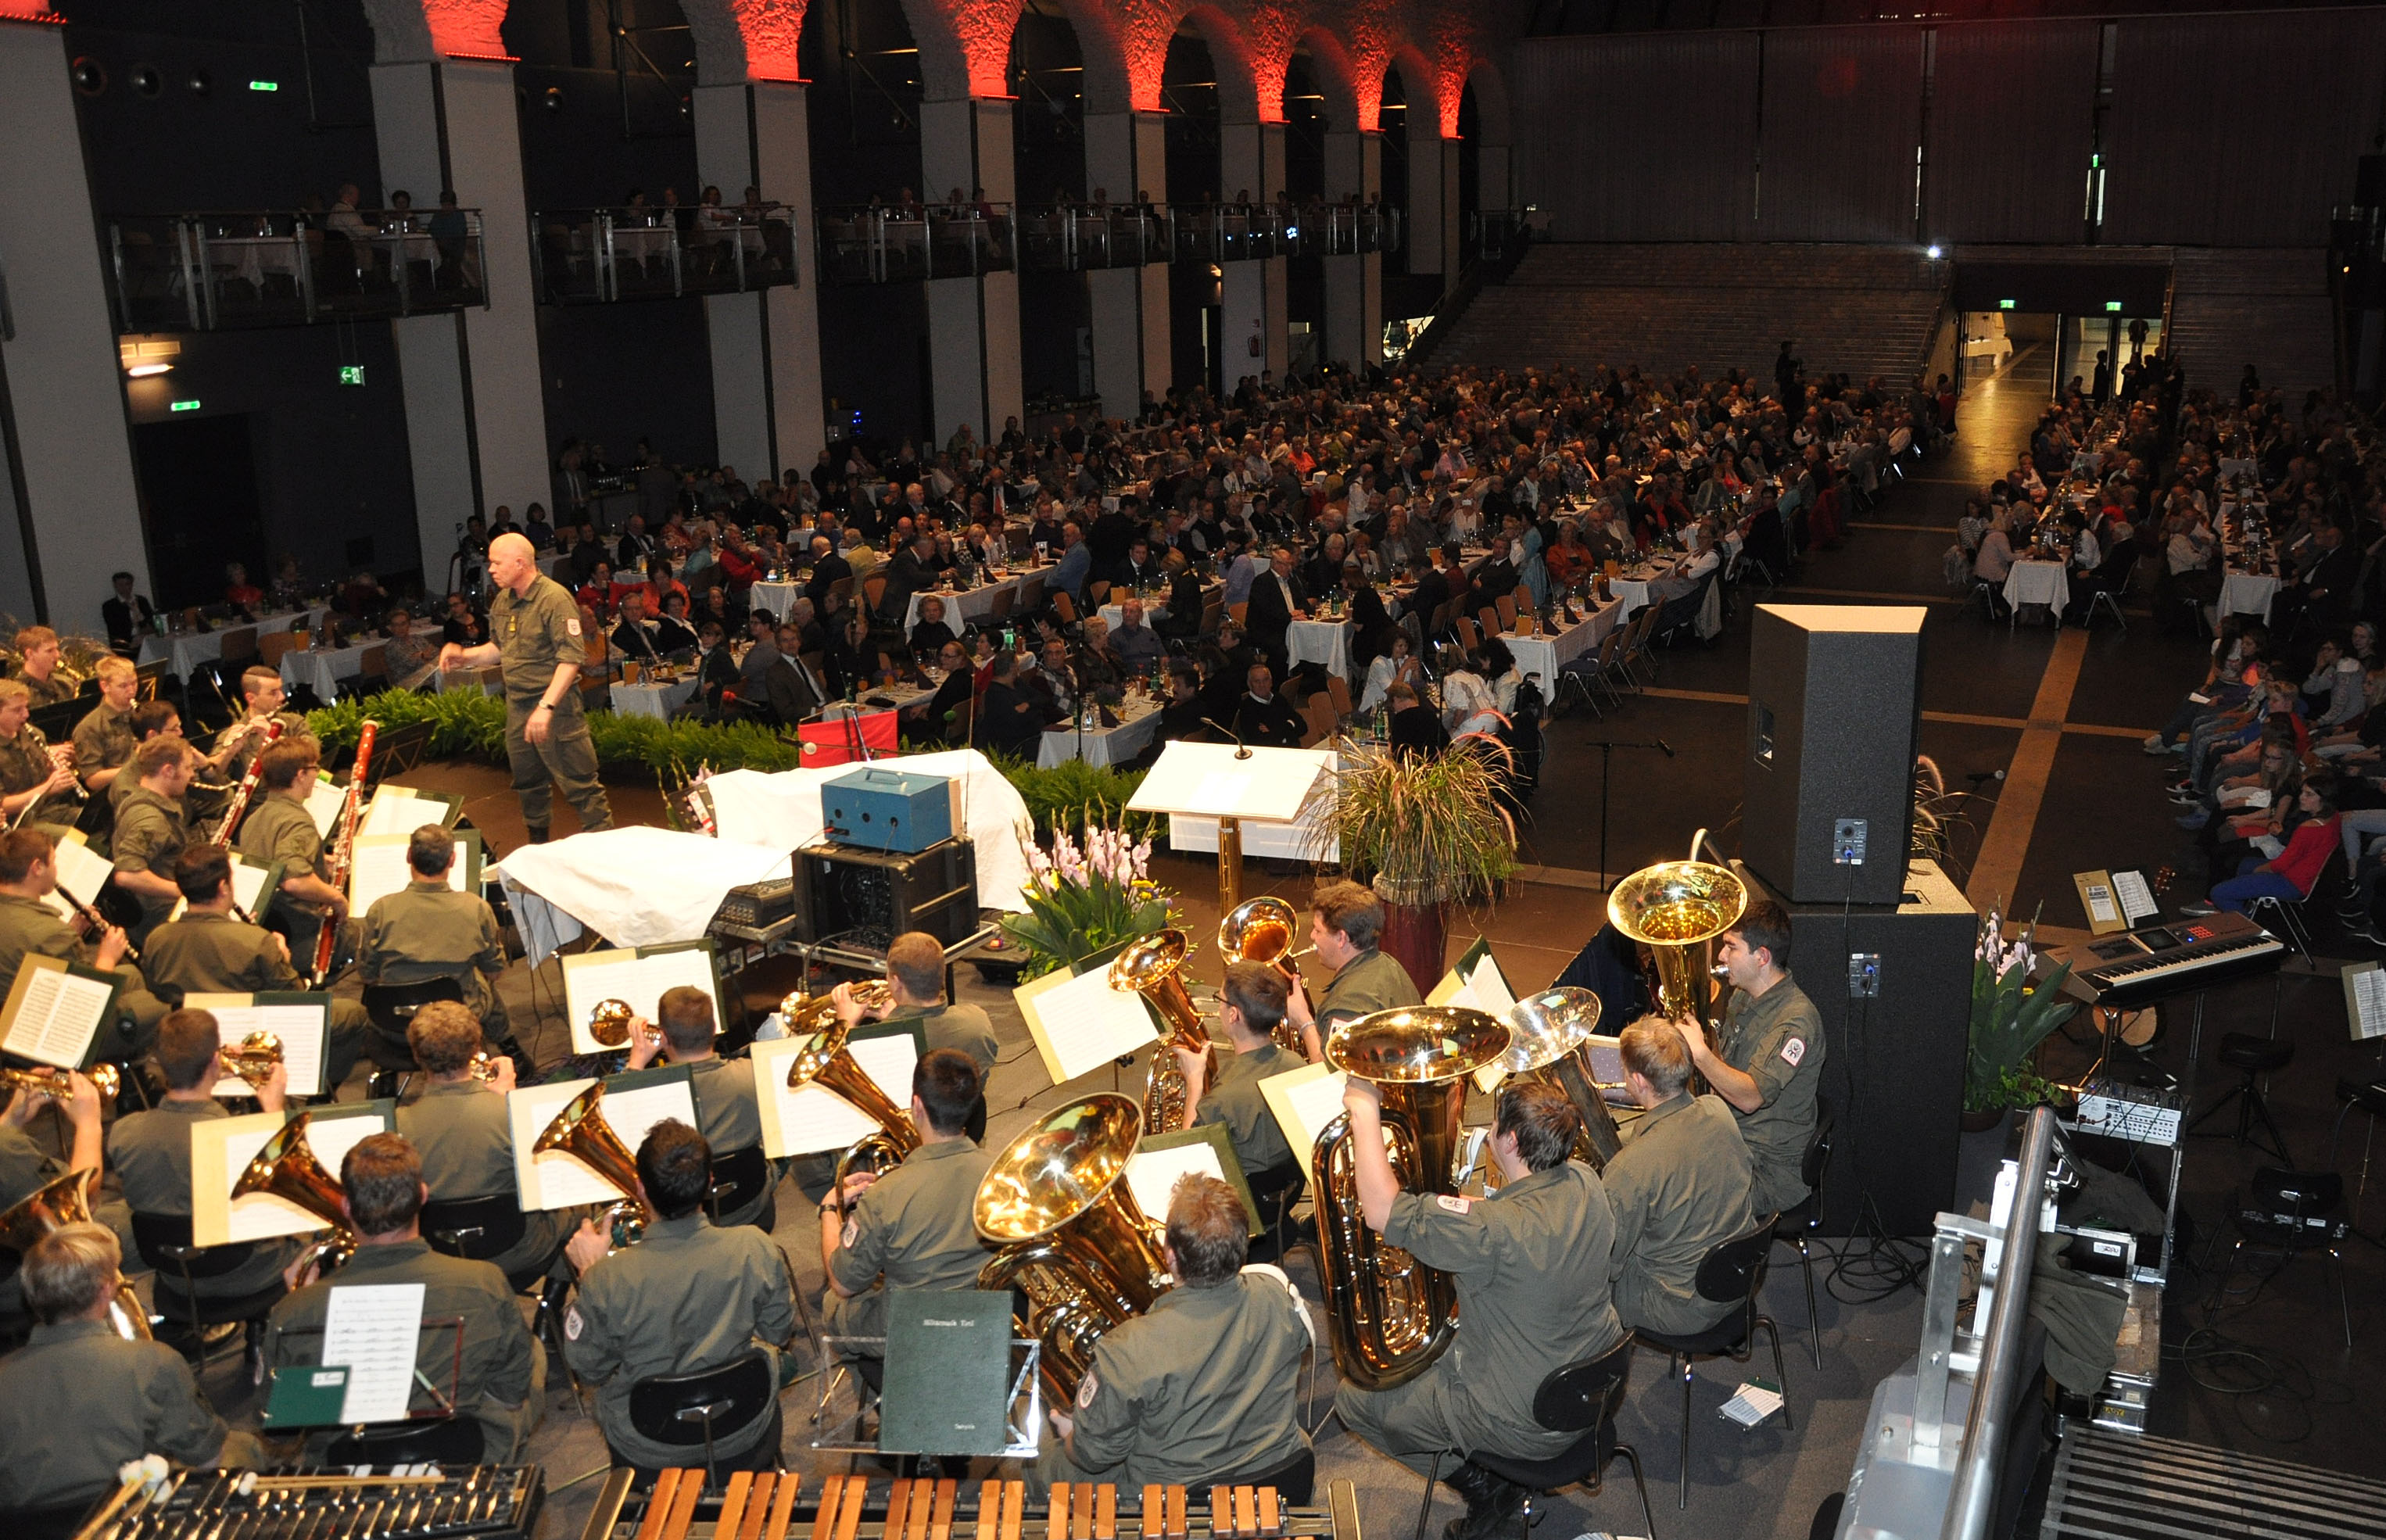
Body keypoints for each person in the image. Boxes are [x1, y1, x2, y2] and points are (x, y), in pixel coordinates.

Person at [1334, 1080, 1622, 1539]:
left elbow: (1379, 1211)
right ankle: (1498, 1486)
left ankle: (1487, 1493)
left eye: (1492, 1125)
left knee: (1354, 1402)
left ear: (1508, 1140)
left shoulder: (1492, 1232)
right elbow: (1506, 1224)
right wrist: (1442, 1210)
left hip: (1519, 1420)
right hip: (1589, 1390)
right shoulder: (1585, 1180)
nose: (1488, 1133)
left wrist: (1365, 1111)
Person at [265, 1132, 544, 1460]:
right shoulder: (484, 1281)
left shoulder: (296, 1310)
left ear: (345, 1207)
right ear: (423, 1196)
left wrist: (302, 1304)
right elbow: (510, 1395)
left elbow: (286, 1428)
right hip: (462, 1454)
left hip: (347, 1463)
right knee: (533, 1351)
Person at [1036, 1174, 1311, 1495]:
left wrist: (1073, 1435)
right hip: (1275, 1474)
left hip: (1172, 1504)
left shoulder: (1126, 1349)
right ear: (1243, 1246)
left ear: (1170, 1256)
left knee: (1043, 1467)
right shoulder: (1278, 1297)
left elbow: (1094, 1457)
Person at [560, 1117, 796, 1474]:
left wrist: (590, 1274)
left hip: (652, 1445)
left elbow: (589, 1368)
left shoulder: (607, 1278)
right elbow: (778, 1333)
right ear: (710, 1182)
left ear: (639, 1189)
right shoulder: (754, 1246)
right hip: (742, 1427)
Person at [0, 1224, 260, 1514]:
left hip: (27, 1527)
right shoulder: (154, 1362)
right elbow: (206, 1457)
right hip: (128, 1519)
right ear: (106, 1289)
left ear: (32, 1295)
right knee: (245, 1447)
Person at [107, 1008, 300, 1309]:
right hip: (245, 1273)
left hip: (175, 1274)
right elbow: (290, 1193)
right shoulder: (243, 1136)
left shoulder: (124, 1132)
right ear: (214, 1060)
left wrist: (209, 1074)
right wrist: (274, 1111)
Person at [145, 847, 371, 1090]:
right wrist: (282, 957)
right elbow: (294, 998)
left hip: (192, 1041)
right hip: (250, 1040)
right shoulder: (255, 941)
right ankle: (320, 1089)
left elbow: (157, 990)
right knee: (352, 1013)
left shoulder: (156, 939)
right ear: (223, 887)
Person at [438, 532, 614, 842]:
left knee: (581, 784)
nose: (490, 569)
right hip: (518, 707)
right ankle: (538, 847)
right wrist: (464, 656)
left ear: (520, 563)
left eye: (496, 562)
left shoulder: (554, 599)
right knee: (529, 785)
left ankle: (608, 851)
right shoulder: (504, 600)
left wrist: (546, 707)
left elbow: (571, 659)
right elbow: (499, 649)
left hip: (556, 708)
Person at [820, 1048, 994, 1360]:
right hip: (986, 1316)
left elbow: (843, 1283)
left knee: (832, 1304)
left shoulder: (885, 1195)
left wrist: (829, 1211)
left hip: (910, 1330)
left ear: (916, 1105)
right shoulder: (1000, 1173)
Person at [391, 1001, 567, 1290]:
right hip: (515, 1253)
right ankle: (552, 1310)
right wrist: (509, 1101)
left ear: (417, 1056)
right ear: (474, 1051)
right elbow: (549, 1182)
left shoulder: (397, 1126)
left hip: (436, 1255)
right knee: (580, 1211)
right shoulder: (513, 1114)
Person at [1664, 898, 1824, 1217]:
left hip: (1768, 1168)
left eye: (1731, 947)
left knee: (1668, 1196)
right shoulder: (1743, 996)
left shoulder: (1796, 1022)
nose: (1721, 956)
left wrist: (1699, 1053)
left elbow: (1751, 1098)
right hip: (1731, 1139)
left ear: (1762, 957)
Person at [1600, 1019, 1756, 1334]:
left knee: (1577, 1280)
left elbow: (1607, 1261)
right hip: (1739, 1278)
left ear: (1639, 1082)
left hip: (1683, 1307)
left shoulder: (1628, 1169)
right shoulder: (1717, 1110)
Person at [621, 985, 780, 1228]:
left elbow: (618, 1131)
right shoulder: (755, 1074)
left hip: (681, 1221)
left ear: (662, 1036)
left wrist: (635, 1065)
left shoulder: (646, 1095)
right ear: (714, 1029)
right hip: (750, 1210)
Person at [0, 829, 165, 1057]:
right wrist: (108, 956)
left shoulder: (43, 929)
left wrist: (72, 933)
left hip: (13, 1022)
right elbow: (83, 1005)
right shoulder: (51, 933)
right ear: (37, 868)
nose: (56, 870)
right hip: (51, 1039)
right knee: (163, 1003)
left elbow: (30, 952)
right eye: (54, 862)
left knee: (132, 975)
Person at [358, 823, 514, 1044]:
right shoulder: (476, 908)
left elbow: (367, 974)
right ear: (452, 860)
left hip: (396, 1024)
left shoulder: (380, 909)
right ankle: (511, 1049)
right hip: (456, 1023)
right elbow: (495, 971)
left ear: (409, 856)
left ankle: (386, 1076)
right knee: (479, 978)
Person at [236, 738, 349, 972]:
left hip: (268, 929)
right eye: (315, 769)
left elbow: (275, 861)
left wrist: (319, 861)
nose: (317, 775)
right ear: (300, 774)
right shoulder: (298, 822)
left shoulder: (255, 817)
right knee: (365, 930)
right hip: (300, 933)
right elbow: (295, 881)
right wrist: (336, 898)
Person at [833, 928, 1000, 1080]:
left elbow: (848, 1079)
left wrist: (846, 1024)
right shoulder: (977, 1020)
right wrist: (896, 1018)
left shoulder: (877, 1043)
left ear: (897, 983)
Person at [1283, 879, 1420, 1052]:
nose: (1311, 936)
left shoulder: (1346, 1005)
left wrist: (1304, 1022)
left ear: (1342, 938)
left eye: (1318, 931)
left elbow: (1330, 1071)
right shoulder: (1388, 963)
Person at [107, 736, 195, 944]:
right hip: (161, 913)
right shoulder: (151, 820)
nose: (192, 775)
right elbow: (127, 875)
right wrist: (185, 892)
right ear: (168, 771)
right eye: (189, 768)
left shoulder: (136, 797)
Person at [0, 679, 84, 829]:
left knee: (100, 821)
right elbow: (4, 806)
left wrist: (55, 771)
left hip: (53, 811)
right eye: (17, 710)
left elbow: (44, 780)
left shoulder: (33, 734)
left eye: (26, 707)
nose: (26, 715)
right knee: (77, 839)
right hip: (22, 825)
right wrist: (48, 787)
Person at [72, 654, 142, 798]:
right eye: (123, 686)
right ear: (105, 686)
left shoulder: (143, 714)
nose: (131, 690)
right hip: (119, 796)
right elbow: (93, 780)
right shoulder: (89, 727)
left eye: (134, 683)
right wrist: (137, 767)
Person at [1233, 664, 1306, 750]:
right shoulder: (1247, 709)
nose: (1262, 685)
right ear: (1249, 684)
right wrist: (1290, 724)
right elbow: (1263, 743)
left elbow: (1303, 727)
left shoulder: (1278, 698)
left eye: (1266, 680)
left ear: (1271, 682)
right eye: (1257, 681)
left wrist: (1273, 730)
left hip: (1295, 751)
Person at [13, 625, 76, 708]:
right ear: (30, 654)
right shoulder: (16, 694)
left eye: (57, 649)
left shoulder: (67, 685)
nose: (57, 655)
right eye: (49, 651)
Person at [103, 571, 156, 654]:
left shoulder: (142, 601)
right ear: (115, 586)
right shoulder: (109, 606)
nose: (124, 587)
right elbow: (115, 628)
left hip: (145, 640)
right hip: (124, 645)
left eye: (127, 584)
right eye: (120, 585)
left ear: (132, 585)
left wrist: (137, 612)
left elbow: (151, 622)